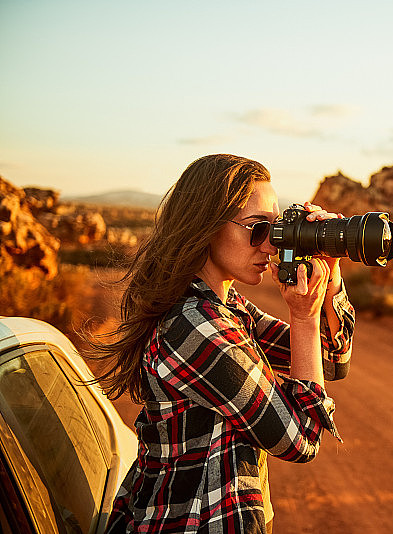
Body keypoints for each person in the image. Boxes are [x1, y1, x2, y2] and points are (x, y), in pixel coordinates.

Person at [92, 154, 355, 533]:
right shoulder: (194, 325)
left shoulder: (226, 307)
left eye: (276, 229)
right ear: (206, 227)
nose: (269, 246)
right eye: (256, 229)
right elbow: (299, 439)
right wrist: (304, 317)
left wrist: (330, 279)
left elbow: (330, 358)